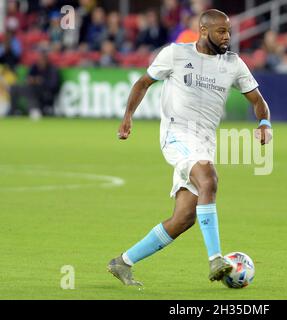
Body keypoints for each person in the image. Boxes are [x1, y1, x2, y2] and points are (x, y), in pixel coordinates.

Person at [107, 9, 272, 286]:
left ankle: (122, 262)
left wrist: (264, 122)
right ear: (204, 31)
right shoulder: (176, 54)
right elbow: (143, 83)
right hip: (176, 135)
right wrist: (128, 117)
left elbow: (258, 100)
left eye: (229, 31)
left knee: (184, 218)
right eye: (221, 31)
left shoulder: (233, 64)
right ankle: (216, 259)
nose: (227, 37)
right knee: (209, 177)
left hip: (204, 143)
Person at [8, 50, 61, 117]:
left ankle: (34, 109)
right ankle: (13, 110)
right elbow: (28, 78)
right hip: (32, 88)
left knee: (30, 90)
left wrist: (41, 81)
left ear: (46, 60)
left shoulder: (52, 69)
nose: (40, 62)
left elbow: (53, 85)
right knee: (14, 87)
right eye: (39, 60)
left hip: (45, 91)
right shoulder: (35, 67)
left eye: (42, 60)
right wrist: (33, 80)